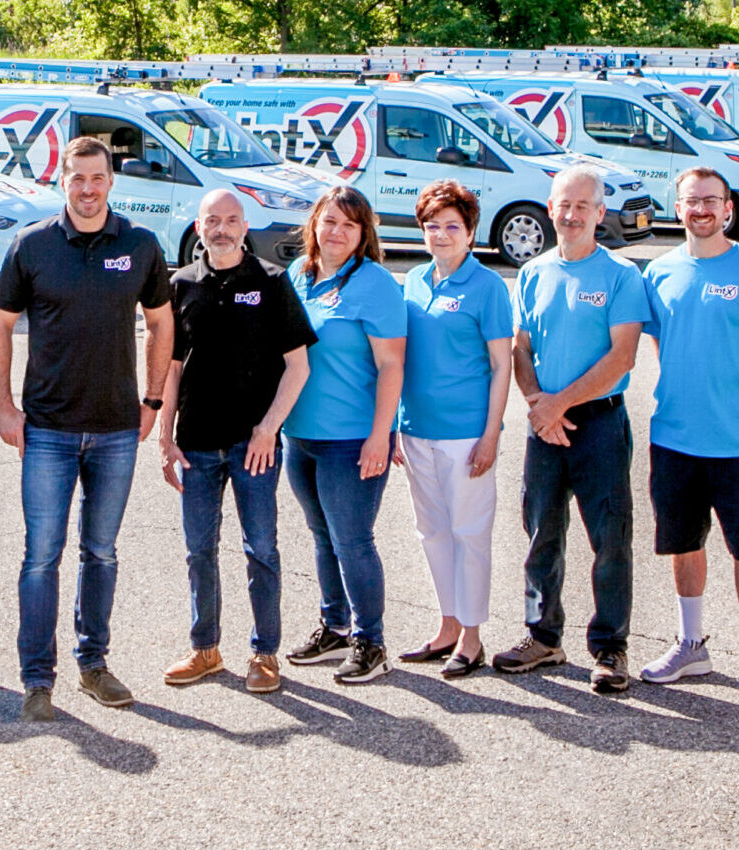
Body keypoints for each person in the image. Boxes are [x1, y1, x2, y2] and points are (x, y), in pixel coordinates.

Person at [0, 135, 174, 721]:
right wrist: (6, 407)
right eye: (77, 179)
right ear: (60, 181)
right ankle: (37, 680)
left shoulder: (140, 245)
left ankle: (93, 665)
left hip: (118, 429)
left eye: (97, 179)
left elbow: (162, 325)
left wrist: (152, 399)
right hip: (47, 431)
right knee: (41, 557)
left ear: (111, 182)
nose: (87, 190)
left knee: (101, 553)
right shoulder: (32, 246)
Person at [635, 168, 739, 704]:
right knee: (684, 545)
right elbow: (665, 345)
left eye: (710, 200)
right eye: (690, 201)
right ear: (677, 208)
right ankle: (691, 644)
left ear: (728, 208)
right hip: (676, 438)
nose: (700, 209)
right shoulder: (659, 272)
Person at [496, 165, 649, 693]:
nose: (571, 214)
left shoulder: (622, 276)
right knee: (542, 534)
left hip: (600, 422)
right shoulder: (534, 272)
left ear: (600, 212)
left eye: (583, 205)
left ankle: (610, 648)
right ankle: (543, 636)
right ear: (550, 208)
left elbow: (622, 357)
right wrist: (539, 407)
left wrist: (558, 405)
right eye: (563, 204)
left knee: (609, 539)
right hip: (545, 426)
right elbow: (520, 347)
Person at [158, 189, 315, 695]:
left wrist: (268, 428)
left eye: (231, 220)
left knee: (261, 550)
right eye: (212, 220)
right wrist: (165, 437)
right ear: (198, 226)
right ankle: (205, 649)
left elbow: (298, 366)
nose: (221, 228)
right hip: (196, 444)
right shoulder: (181, 284)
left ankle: (264, 654)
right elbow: (171, 367)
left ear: (245, 226)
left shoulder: (271, 282)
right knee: (198, 551)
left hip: (255, 448)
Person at [277, 185, 407, 685]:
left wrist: (382, 434)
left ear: (362, 235)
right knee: (321, 535)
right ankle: (334, 626)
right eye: (329, 221)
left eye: (348, 226)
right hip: (301, 434)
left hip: (352, 438)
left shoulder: (374, 284)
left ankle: (370, 640)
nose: (336, 232)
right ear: (314, 224)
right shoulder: (298, 276)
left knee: (353, 541)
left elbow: (392, 365)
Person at [392, 179, 514, 680]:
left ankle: (472, 635)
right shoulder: (415, 281)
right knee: (434, 533)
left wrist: (491, 435)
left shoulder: (488, 288)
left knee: (469, 534)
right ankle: (446, 625)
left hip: (466, 434)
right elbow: (400, 359)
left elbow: (502, 366)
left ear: (469, 234)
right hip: (417, 430)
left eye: (451, 227)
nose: (441, 235)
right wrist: (398, 423)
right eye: (432, 226)